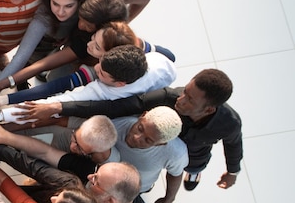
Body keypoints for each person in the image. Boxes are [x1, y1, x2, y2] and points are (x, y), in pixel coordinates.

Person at [56, 69, 243, 191]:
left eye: (190, 100)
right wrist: (59, 108)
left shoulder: (229, 123)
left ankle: (194, 173)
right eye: (185, 91)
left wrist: (232, 172)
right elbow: (112, 107)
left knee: (193, 165)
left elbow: (233, 145)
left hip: (195, 150)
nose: (181, 99)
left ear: (209, 109)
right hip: (153, 145)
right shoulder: (167, 97)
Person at [0, 44, 177, 125]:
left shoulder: (106, 93)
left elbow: (55, 103)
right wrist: (0, 99)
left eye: (102, 73)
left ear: (119, 84)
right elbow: (171, 56)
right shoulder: (161, 62)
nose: (96, 68)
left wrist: (0, 115)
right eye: (100, 62)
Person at [0, 20, 174, 99]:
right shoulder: (134, 43)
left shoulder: (100, 72)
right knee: (50, 73)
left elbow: (51, 89)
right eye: (94, 38)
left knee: (54, 82)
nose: (90, 45)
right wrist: (1, 84)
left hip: (92, 81)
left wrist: (6, 99)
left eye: (97, 48)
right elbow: (41, 65)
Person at [0, 0, 90, 91]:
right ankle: (21, 80)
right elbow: (21, 56)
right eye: (55, 4)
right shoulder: (43, 15)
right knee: (31, 60)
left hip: (70, 42)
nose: (61, 12)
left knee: (54, 71)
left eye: (68, 6)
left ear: (81, 2)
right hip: (45, 42)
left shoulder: (88, 13)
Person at [0, 110, 118, 183]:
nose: (72, 146)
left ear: (95, 153)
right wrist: (3, 132)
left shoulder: (100, 170)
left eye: (79, 147)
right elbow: (46, 151)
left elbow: (39, 166)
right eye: (75, 137)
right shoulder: (84, 127)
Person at [112, 106, 187, 203]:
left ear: (161, 144)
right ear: (142, 116)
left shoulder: (176, 152)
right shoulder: (115, 125)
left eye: (148, 140)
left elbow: (175, 173)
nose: (136, 137)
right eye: (140, 128)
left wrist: (169, 198)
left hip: (136, 189)